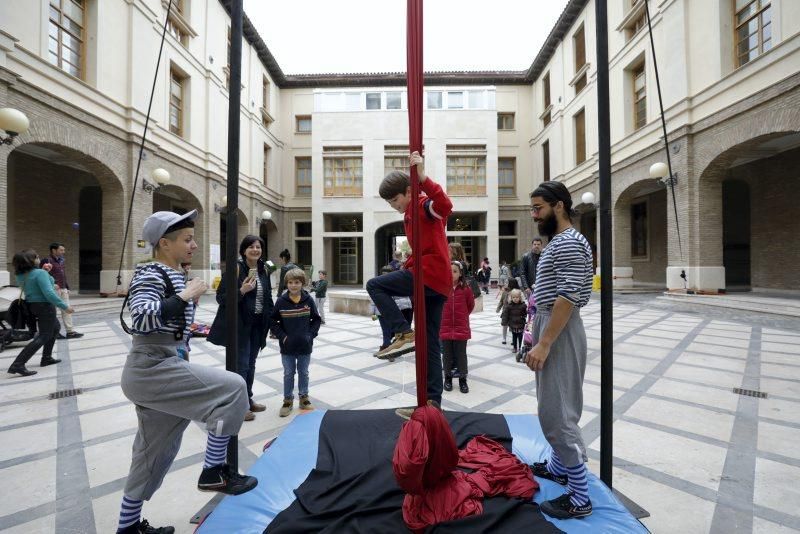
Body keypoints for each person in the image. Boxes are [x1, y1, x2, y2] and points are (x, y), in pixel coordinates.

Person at [117, 210, 256, 534]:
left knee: (154, 454)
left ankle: (127, 528)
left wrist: (196, 326)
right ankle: (214, 472)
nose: (194, 245)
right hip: (153, 367)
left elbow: (168, 322)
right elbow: (142, 319)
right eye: (187, 239)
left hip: (162, 366)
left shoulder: (173, 273)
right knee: (233, 388)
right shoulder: (152, 272)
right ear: (164, 243)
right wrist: (185, 296)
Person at [524, 181, 594, 520]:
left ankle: (580, 496)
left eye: (539, 208)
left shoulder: (568, 244)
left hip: (560, 330)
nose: (535, 215)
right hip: (553, 324)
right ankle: (558, 467)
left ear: (560, 207)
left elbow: (566, 297)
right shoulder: (563, 242)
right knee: (555, 404)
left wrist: (545, 341)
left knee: (556, 413)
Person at [365, 151, 453, 417]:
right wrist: (409, 263)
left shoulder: (422, 204)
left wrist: (423, 178)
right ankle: (432, 404)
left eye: (395, 199)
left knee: (374, 285)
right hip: (435, 281)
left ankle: (403, 332)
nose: (394, 205)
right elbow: (426, 245)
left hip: (430, 276)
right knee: (430, 345)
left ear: (408, 190)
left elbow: (445, 206)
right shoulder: (413, 210)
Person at [207, 235, 274, 422]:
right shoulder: (235, 269)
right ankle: (240, 404)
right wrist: (242, 291)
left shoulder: (264, 269)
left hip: (258, 325)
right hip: (241, 325)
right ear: (243, 250)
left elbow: (268, 297)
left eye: (258, 246)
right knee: (241, 365)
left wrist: (273, 321)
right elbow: (221, 298)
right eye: (251, 246)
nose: (255, 250)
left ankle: (248, 398)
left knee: (250, 364)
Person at [6, 250, 73, 376]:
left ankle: (46, 358)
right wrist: (65, 306)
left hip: (33, 305)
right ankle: (18, 364)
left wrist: (46, 272)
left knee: (55, 328)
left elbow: (45, 283)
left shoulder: (21, 275)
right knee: (44, 335)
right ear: (31, 261)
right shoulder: (39, 273)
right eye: (36, 257)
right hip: (45, 306)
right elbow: (49, 292)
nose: (38, 258)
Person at [270, 267, 321, 417]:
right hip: (287, 347)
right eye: (290, 282)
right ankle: (287, 400)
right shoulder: (281, 301)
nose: (293, 285)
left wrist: (310, 335)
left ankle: (304, 398)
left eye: (297, 282)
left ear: (303, 283)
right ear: (286, 284)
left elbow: (316, 320)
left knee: (304, 373)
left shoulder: (308, 300)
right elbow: (273, 321)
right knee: (288, 373)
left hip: (305, 345)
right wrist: (283, 336)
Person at [440, 261, 475, 394]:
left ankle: (462, 379)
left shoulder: (466, 289)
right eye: (449, 271)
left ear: (460, 273)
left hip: (461, 327)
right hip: (445, 326)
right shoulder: (442, 287)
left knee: (461, 355)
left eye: (455, 271)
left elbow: (470, 306)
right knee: (447, 355)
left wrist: (462, 316)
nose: (452, 274)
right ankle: (447, 378)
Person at [40, 242, 83, 339]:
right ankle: (54, 332)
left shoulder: (62, 260)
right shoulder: (46, 260)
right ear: (54, 250)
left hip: (63, 288)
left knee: (67, 309)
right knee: (53, 311)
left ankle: (70, 332)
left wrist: (67, 287)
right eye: (61, 250)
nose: (63, 252)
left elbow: (63, 274)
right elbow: (42, 274)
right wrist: (52, 284)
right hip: (53, 289)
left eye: (64, 250)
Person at [501, 288, 527, 354]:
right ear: (511, 298)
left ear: (520, 298)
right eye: (514, 297)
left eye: (517, 297)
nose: (515, 299)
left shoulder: (523, 305)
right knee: (514, 336)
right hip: (512, 324)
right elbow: (505, 314)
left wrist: (525, 317)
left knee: (520, 336)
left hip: (521, 324)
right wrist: (504, 322)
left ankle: (520, 347)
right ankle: (515, 347)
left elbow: (525, 313)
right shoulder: (509, 306)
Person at [495, 278, 520, 345]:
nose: (505, 284)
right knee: (504, 325)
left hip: (514, 312)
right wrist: (498, 308)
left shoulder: (516, 292)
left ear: (511, 284)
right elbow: (501, 301)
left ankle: (513, 339)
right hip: (505, 311)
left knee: (512, 326)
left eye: (507, 282)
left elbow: (520, 301)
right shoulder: (505, 292)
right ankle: (504, 338)